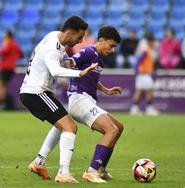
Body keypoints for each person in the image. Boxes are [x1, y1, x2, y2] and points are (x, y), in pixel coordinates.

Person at [28, 25, 123, 184]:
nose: (113, 50)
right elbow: (70, 63)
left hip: (86, 100)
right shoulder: (88, 52)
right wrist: (72, 67)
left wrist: (106, 90)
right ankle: (92, 171)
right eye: (111, 45)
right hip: (80, 100)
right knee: (111, 130)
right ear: (101, 40)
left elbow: (91, 79)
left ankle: (100, 168)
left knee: (119, 127)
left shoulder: (98, 58)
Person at [20, 16, 98, 183]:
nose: (81, 41)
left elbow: (58, 64)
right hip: (36, 92)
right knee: (70, 127)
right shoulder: (52, 47)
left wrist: (70, 64)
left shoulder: (55, 36)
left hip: (39, 92)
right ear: (69, 33)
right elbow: (55, 71)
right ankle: (63, 173)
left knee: (62, 125)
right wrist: (80, 73)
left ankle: (39, 162)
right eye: (79, 37)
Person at [129, 32, 159, 116]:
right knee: (150, 89)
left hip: (142, 74)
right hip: (143, 74)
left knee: (139, 91)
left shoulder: (148, 49)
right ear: (150, 41)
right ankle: (149, 108)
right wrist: (135, 71)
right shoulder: (146, 50)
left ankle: (134, 109)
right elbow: (138, 60)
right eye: (152, 41)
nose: (153, 43)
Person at [0, 31, 24, 110]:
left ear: (8, 36)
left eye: (5, 36)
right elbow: (21, 55)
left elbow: (3, 52)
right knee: (3, 85)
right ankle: (5, 102)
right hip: (12, 68)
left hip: (5, 67)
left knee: (1, 85)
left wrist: (4, 44)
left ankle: (2, 102)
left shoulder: (8, 43)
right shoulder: (16, 44)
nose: (3, 37)